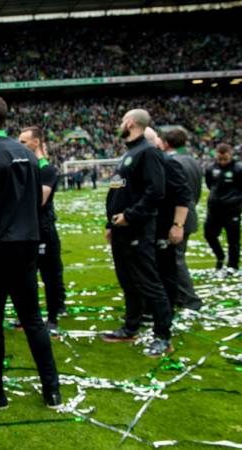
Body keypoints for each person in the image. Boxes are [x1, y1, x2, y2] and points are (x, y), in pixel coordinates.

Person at [0, 95, 61, 409]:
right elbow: (36, 202)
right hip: (27, 245)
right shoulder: (28, 155)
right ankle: (52, 388)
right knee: (32, 319)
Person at [101, 109, 172, 357]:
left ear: (130, 123)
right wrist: (110, 223)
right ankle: (130, 327)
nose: (120, 125)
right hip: (120, 229)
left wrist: (130, 216)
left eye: (122, 121)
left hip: (137, 229)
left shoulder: (148, 151)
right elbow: (118, 190)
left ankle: (163, 336)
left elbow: (156, 191)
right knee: (128, 281)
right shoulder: (128, 153)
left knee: (149, 282)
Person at [18, 126, 66, 331]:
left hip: (44, 230)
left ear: (35, 142)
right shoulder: (26, 167)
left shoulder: (46, 169)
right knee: (26, 277)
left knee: (50, 276)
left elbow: (40, 200)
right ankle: (29, 316)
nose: (20, 146)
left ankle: (53, 318)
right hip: (27, 230)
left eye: (24, 142)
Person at [149, 130, 192, 312]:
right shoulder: (189, 160)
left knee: (172, 264)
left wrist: (178, 223)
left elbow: (183, 194)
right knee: (170, 263)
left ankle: (184, 301)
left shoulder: (169, 162)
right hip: (179, 218)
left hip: (174, 220)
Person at [163, 129, 203, 310]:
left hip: (178, 216)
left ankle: (190, 300)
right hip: (190, 212)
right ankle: (179, 296)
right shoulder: (193, 161)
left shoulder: (172, 162)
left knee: (176, 259)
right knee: (177, 257)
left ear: (166, 143)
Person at [203, 143, 242, 273]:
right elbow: (210, 185)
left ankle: (233, 265)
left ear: (230, 154)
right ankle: (220, 256)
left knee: (233, 239)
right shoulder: (211, 169)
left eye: (225, 159)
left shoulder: (238, 169)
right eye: (220, 159)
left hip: (232, 210)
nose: (222, 162)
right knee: (209, 235)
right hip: (214, 209)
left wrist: (234, 200)